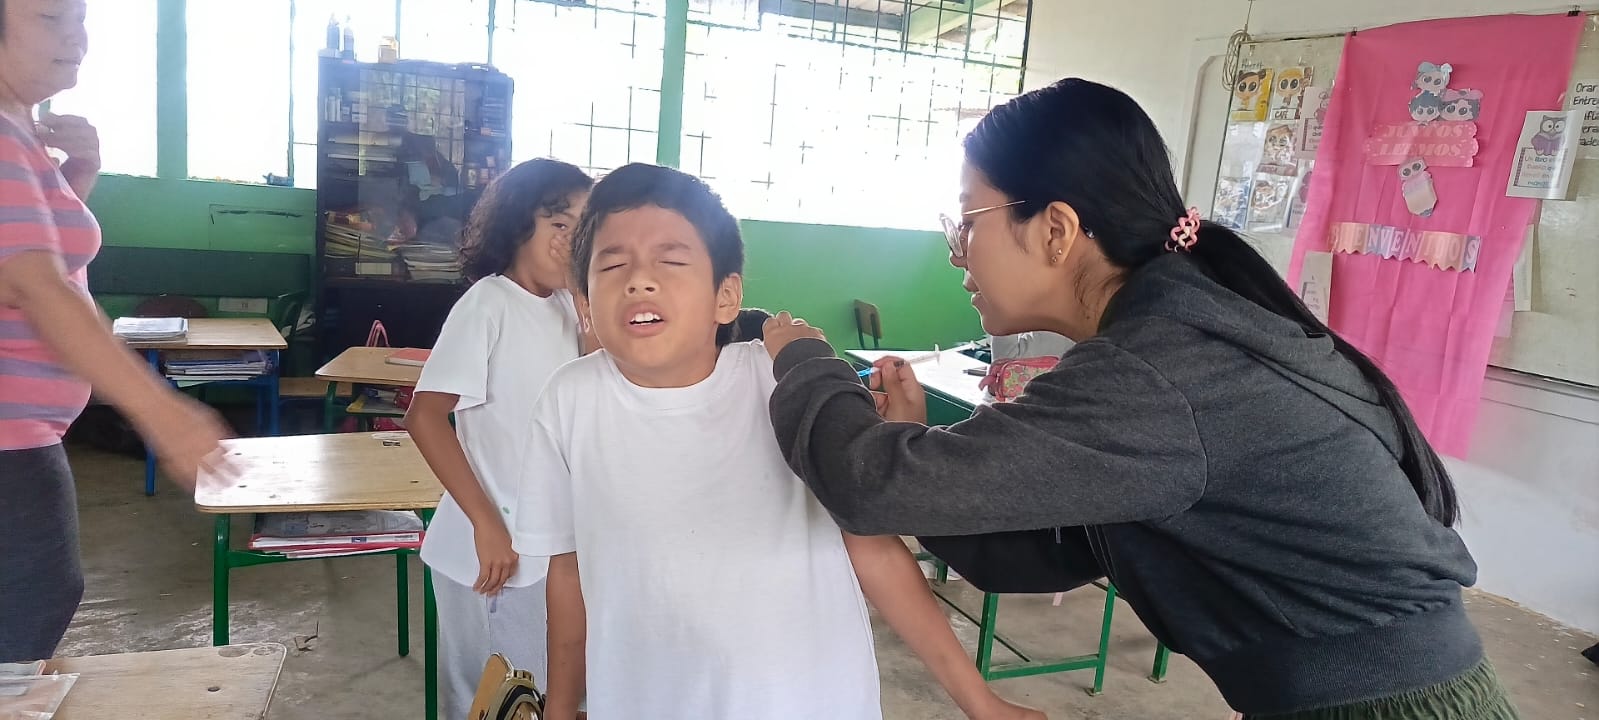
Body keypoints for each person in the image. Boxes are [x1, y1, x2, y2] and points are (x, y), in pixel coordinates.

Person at [763, 79, 1516, 720]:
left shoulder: (1161, 370)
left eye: (967, 221)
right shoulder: (1184, 336)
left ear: (1056, 230)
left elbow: (865, 483)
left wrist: (803, 360)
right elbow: (1048, 550)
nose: (957, 251)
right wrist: (931, 481)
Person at [512, 163, 1042, 720]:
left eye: (670, 261)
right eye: (613, 264)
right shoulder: (567, 401)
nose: (639, 281)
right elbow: (567, 572)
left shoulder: (786, 383)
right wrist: (560, 708)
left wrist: (980, 702)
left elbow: (873, 549)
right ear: (584, 301)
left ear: (726, 296)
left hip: (807, 701)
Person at [0, 0, 231, 662]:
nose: (76, 36)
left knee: (34, 603)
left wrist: (78, 177)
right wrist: (163, 412)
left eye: (81, 17)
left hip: (26, 433)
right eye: (50, 17)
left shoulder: (19, 130)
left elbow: (34, 255)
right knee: (28, 607)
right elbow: (33, 284)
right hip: (8, 438)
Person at [403, 158, 593, 720]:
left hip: (545, 546)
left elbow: (592, 395)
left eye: (583, 229)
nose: (570, 241)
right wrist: (487, 526)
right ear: (517, 224)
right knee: (492, 699)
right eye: (558, 224)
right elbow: (424, 417)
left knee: (540, 693)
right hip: (492, 552)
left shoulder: (566, 307)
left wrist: (589, 311)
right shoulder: (489, 302)